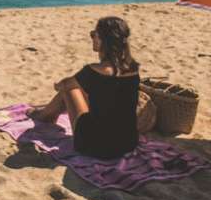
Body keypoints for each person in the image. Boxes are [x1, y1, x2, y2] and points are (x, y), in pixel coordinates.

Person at [27, 16, 141, 159]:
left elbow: (65, 85)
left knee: (69, 89)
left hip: (94, 146)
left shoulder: (94, 71)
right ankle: (45, 114)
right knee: (80, 88)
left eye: (94, 35)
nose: (92, 38)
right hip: (127, 144)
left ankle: (43, 115)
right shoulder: (133, 68)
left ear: (103, 40)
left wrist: (58, 85)